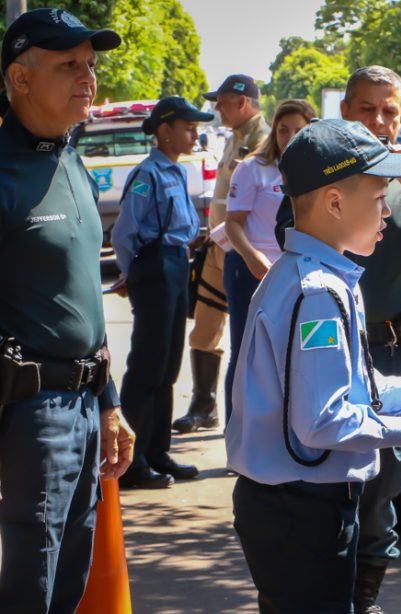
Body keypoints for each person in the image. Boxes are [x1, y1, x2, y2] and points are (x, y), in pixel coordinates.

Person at [227, 118, 401, 613]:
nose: (388, 210)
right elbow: (324, 420)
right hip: (300, 511)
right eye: (377, 196)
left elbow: (356, 390)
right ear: (334, 202)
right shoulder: (319, 293)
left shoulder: (316, 276)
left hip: (296, 506)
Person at [275, 66, 401, 613]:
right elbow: (290, 239)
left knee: (388, 479)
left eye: (390, 110)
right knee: (336, 470)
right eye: (367, 109)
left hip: (394, 353)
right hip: (333, 345)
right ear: (346, 111)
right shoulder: (326, 174)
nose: (380, 120)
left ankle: (364, 601)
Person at [0, 9, 135, 611]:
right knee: (29, 586)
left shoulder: (70, 156)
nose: (88, 79)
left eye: (90, 65)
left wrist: (108, 403)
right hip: (26, 412)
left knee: (70, 583)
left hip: (82, 406)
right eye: (68, 66)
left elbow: (83, 299)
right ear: (20, 79)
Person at [110, 97, 215, 489]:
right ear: (164, 130)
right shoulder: (147, 174)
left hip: (175, 264)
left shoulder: (175, 171)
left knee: (168, 366)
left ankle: (156, 451)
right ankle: (131, 462)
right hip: (155, 267)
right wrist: (131, 273)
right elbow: (124, 233)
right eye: (187, 126)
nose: (193, 133)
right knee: (147, 368)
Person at [172, 74, 270, 433]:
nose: (217, 109)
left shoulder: (265, 141)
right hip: (219, 246)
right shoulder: (235, 139)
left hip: (248, 251)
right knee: (205, 329)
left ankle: (249, 424)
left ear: (242, 103)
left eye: (223, 102)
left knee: (251, 341)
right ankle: (204, 406)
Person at [223, 99, 315, 422]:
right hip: (251, 270)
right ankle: (237, 433)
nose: (289, 137)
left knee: (289, 355)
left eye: (299, 131)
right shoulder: (253, 168)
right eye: (283, 130)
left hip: (294, 273)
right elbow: (232, 223)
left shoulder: (316, 170)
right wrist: (252, 256)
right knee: (246, 353)